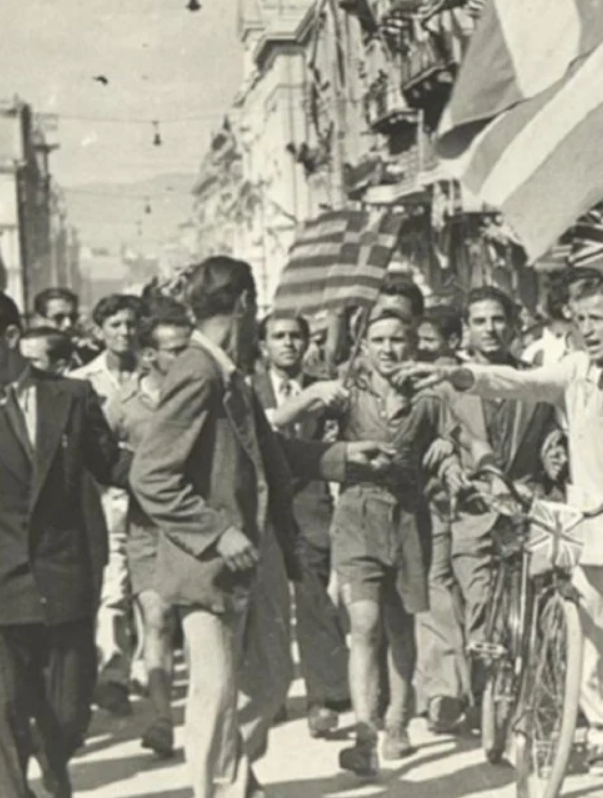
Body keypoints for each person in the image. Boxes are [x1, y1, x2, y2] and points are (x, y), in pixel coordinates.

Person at [400, 278, 603, 788]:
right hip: (593, 525)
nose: (586, 330)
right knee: (598, 637)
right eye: (579, 320)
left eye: (597, 319)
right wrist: (459, 375)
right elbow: (518, 382)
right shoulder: (575, 370)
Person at [129, 256, 395, 798]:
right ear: (246, 304)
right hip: (209, 562)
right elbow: (150, 474)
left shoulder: (229, 372)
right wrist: (214, 532)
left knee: (269, 680)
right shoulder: (198, 372)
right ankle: (221, 787)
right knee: (216, 690)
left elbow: (268, 451)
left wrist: (343, 456)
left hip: (255, 553)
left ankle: (233, 778)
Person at [329, 307, 474, 777]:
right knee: (364, 623)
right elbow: (302, 431)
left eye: (397, 340)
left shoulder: (430, 397)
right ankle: (364, 734)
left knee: (399, 625)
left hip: (410, 518)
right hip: (357, 515)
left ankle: (397, 720)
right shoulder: (348, 391)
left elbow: (455, 440)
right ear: (365, 345)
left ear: (412, 346)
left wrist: (449, 452)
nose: (388, 349)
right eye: (379, 340)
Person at [0, 289, 131, 798]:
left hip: (65, 576)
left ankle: (54, 762)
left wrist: (170, 468)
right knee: (6, 709)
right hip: (2, 584)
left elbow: (110, 463)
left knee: (69, 712)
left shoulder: (70, 396)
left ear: (11, 337)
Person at [418, 287, 559, 734]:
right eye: (479, 321)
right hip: (469, 504)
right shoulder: (446, 383)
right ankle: (474, 694)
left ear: (514, 324)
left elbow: (553, 430)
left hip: (524, 501)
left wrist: (554, 449)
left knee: (532, 602)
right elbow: (433, 433)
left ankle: (531, 695)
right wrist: (448, 461)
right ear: (466, 329)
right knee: (476, 598)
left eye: (498, 319)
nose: (490, 329)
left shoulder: (536, 380)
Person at [251, 313, 352, 740]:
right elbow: (266, 425)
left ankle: (322, 698)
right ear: (263, 346)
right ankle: (269, 694)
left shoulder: (328, 389)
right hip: (262, 506)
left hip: (311, 504)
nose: (288, 343)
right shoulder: (248, 389)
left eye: (296, 336)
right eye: (278, 336)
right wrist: (312, 396)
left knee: (315, 599)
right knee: (267, 607)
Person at [107, 299, 194, 758]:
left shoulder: (204, 393)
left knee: (196, 624)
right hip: (146, 527)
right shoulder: (122, 405)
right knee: (157, 619)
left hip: (196, 525)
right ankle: (162, 719)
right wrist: (130, 475)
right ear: (148, 355)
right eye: (175, 350)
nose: (185, 358)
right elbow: (99, 456)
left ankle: (202, 716)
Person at [70, 293, 144, 718]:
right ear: (99, 331)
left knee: (149, 586)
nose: (124, 332)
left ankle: (146, 668)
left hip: (151, 492)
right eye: (115, 325)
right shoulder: (83, 381)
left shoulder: (155, 373)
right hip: (104, 495)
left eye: (131, 324)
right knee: (114, 585)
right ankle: (113, 674)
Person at [32, 287, 99, 367]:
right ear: (39, 320)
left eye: (73, 317)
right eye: (59, 318)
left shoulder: (84, 352)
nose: (68, 324)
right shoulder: (27, 358)